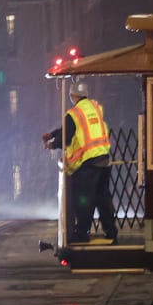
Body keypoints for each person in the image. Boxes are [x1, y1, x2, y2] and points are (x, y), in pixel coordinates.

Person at [42, 81, 118, 244]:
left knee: (84, 199)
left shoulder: (74, 113)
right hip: (104, 157)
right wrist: (53, 134)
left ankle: (82, 232)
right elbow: (71, 129)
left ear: (71, 96)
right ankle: (111, 232)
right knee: (103, 198)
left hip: (88, 162)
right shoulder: (96, 107)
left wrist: (52, 144)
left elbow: (66, 136)